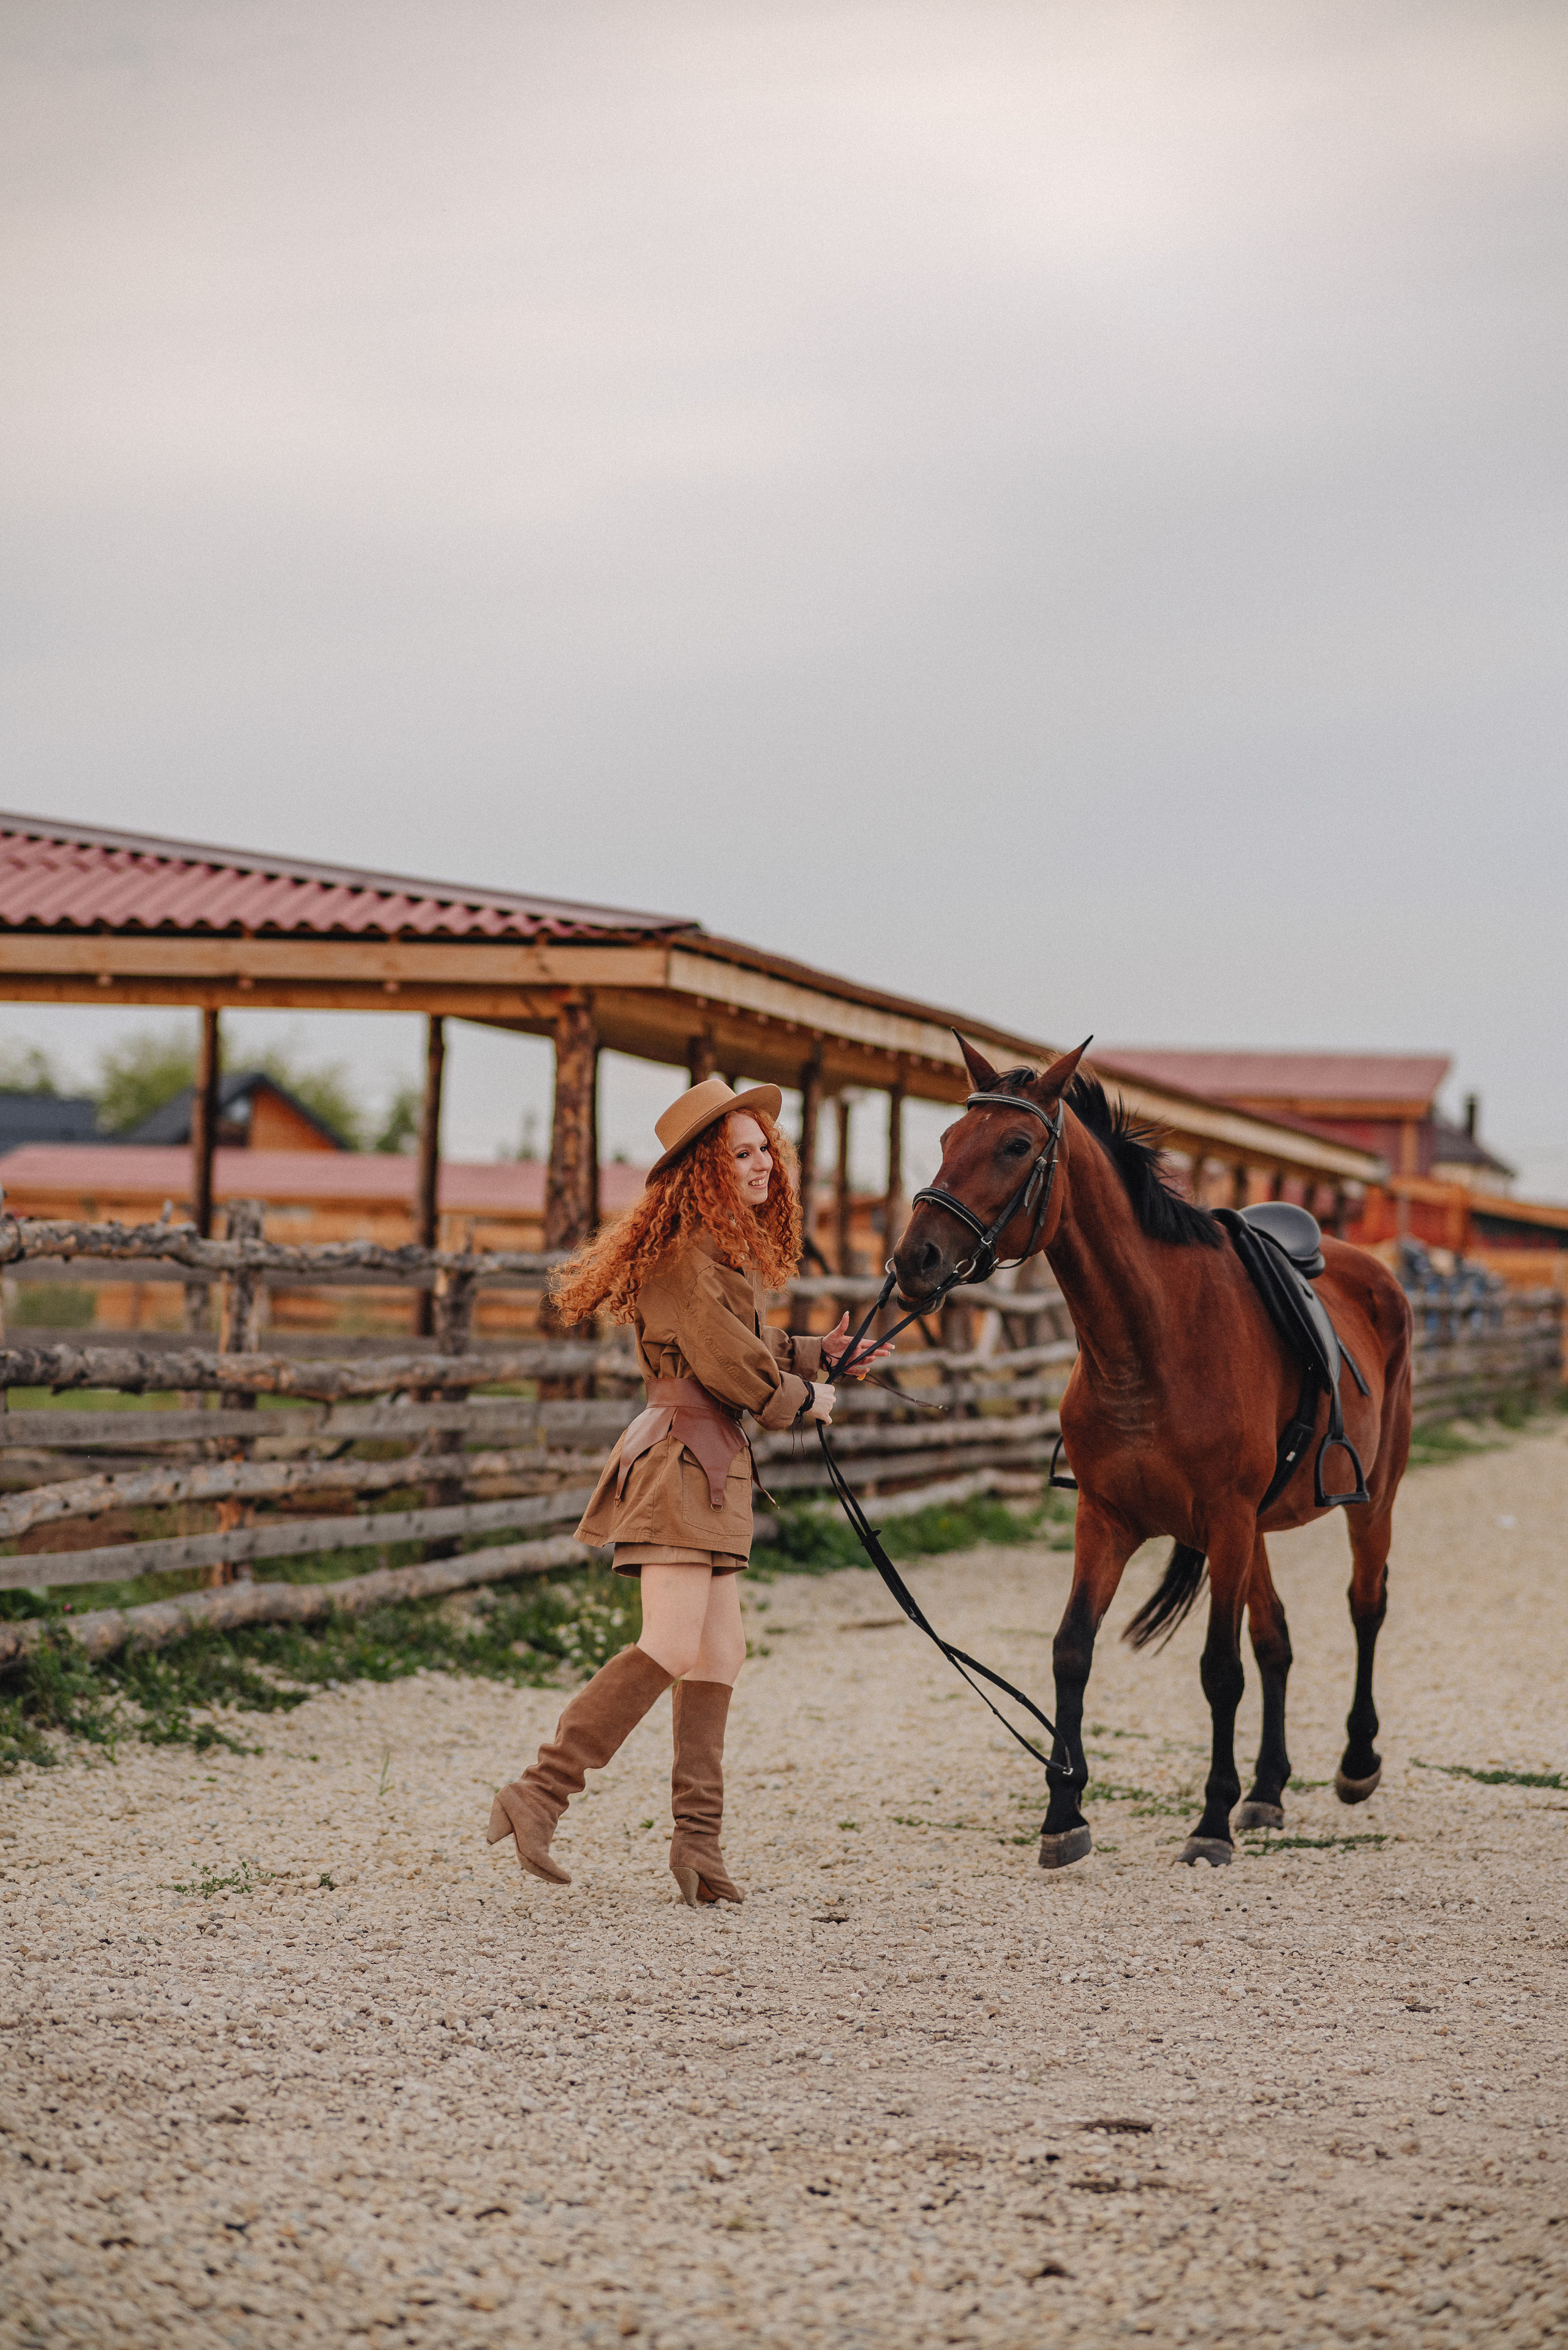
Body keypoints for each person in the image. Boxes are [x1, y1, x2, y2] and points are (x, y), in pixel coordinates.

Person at [486, 1075, 888, 1905]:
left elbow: (742, 1338)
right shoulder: (686, 1253)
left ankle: (697, 1846)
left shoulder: (711, 1250)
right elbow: (726, 1361)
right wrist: (806, 1399)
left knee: (719, 1651)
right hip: (681, 1460)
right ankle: (538, 1791)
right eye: (742, 1152)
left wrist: (817, 1353)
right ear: (706, 1166)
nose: (763, 1164)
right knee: (671, 1642)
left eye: (765, 1150)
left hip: (710, 1461)